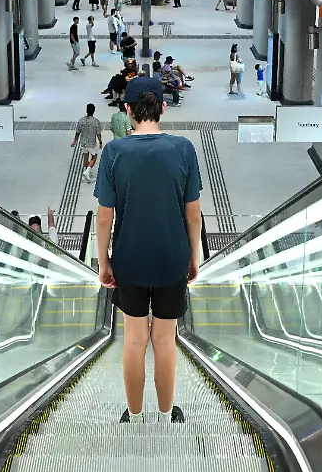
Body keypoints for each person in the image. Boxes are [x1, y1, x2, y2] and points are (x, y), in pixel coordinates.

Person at [95, 76, 203, 425]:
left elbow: (103, 218)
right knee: (165, 340)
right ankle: (167, 413)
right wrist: (193, 257)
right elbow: (193, 213)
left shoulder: (114, 152)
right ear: (163, 108)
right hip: (172, 258)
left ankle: (135, 414)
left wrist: (104, 263)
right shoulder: (183, 149)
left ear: (127, 110)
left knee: (134, 340)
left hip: (129, 259)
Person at [72, 103, 104, 182]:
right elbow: (98, 133)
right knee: (94, 157)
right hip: (92, 143)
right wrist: (100, 141)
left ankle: (87, 173)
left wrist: (75, 140)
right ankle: (88, 171)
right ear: (94, 111)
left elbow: (78, 132)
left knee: (85, 157)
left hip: (83, 142)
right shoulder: (96, 121)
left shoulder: (81, 120)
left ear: (86, 110)